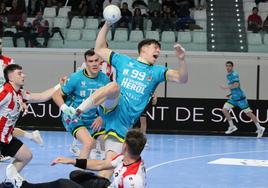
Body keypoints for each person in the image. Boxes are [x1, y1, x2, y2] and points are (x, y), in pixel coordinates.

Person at [67, 21, 187, 179]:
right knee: (114, 87)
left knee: (109, 165)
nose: (158, 50)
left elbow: (182, 79)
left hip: (123, 122)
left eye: (159, 49)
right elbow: (99, 49)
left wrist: (182, 60)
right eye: (155, 47)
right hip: (113, 105)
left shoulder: (157, 71)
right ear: (143, 49)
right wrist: (107, 24)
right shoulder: (124, 61)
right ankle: (77, 110)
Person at [4, 129, 146, 188]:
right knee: (75, 174)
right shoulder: (128, 157)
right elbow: (101, 165)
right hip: (108, 185)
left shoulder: (132, 180)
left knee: (62, 183)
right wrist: (72, 161)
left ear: (125, 146)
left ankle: (23, 186)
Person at [1, 64, 63, 186]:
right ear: (11, 77)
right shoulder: (5, 92)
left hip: (7, 138)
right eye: (19, 73)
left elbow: (41, 96)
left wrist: (60, 85)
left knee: (26, 156)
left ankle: (9, 180)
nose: (24, 75)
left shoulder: (19, 93)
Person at [52, 49, 110, 159]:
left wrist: (102, 117)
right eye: (90, 61)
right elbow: (56, 95)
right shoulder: (76, 78)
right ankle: (79, 174)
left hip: (93, 118)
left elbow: (108, 100)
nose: (94, 64)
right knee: (89, 143)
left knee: (107, 144)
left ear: (100, 61)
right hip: (73, 117)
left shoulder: (105, 79)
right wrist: (65, 109)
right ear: (86, 62)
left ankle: (101, 169)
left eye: (96, 60)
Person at [0, 38, 43, 162]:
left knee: (7, 125)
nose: (0, 46)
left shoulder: (8, 61)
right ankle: (31, 136)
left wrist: (20, 100)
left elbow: (16, 82)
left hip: (6, 97)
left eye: (1, 44)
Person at [220, 61, 265, 138]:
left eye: (229, 66)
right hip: (234, 98)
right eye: (226, 66)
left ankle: (260, 128)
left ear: (232, 67)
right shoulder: (228, 75)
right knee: (224, 110)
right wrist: (231, 94)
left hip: (241, 99)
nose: (228, 67)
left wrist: (225, 87)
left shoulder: (234, 74)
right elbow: (235, 87)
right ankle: (232, 126)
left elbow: (236, 85)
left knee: (248, 113)